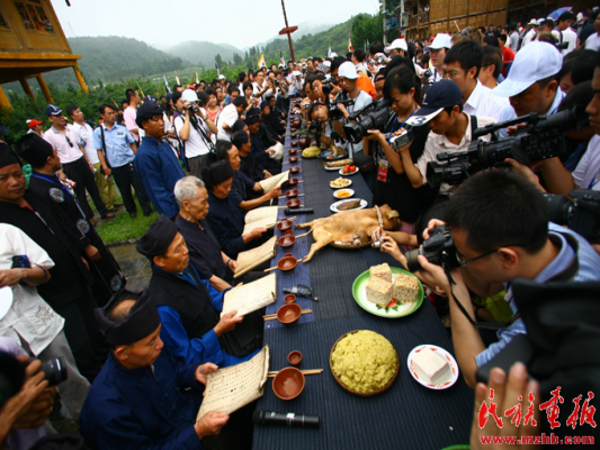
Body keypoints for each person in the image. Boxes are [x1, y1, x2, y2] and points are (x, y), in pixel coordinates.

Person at [395, 170, 600, 388]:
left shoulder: (549, 323)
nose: (462, 262)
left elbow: (475, 374)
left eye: (465, 258)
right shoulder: (540, 234)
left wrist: (455, 287)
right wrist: (456, 241)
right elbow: (487, 287)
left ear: (507, 257)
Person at [0, 144, 107, 381]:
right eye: (3, 178)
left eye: (17, 174)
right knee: (79, 344)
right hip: (52, 292)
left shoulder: (34, 197)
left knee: (95, 328)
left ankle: (112, 370)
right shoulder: (3, 221)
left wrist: (79, 252)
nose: (14, 182)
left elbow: (61, 226)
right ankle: (96, 385)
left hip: (75, 274)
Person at [80, 289, 229, 450]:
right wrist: (197, 433)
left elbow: (173, 371)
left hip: (187, 415)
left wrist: (193, 372)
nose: (161, 344)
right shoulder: (108, 409)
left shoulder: (150, 351)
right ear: (122, 353)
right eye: (151, 342)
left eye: (159, 334)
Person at [16, 133, 126, 308]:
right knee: (101, 280)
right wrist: (84, 245)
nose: (59, 157)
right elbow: (61, 224)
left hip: (86, 233)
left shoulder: (48, 180)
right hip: (82, 243)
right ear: (49, 160)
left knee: (108, 268)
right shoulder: (42, 191)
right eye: (55, 153)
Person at [136, 215, 262, 365]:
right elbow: (185, 356)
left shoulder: (182, 266)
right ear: (159, 261)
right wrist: (218, 330)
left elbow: (206, 290)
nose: (186, 251)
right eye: (178, 249)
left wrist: (230, 295)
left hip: (224, 334)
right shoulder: (163, 306)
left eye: (184, 243)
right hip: (210, 358)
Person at [0, 224, 90, 423]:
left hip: (38, 325)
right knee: (23, 402)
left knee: (71, 379)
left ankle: (95, 423)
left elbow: (45, 272)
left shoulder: (5, 232)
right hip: (4, 342)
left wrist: (19, 274)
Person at [363, 66, 432, 235]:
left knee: (400, 245)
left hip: (403, 200)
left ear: (412, 92)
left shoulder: (420, 125)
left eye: (397, 100)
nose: (393, 105)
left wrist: (382, 140)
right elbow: (369, 153)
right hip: (383, 190)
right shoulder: (393, 116)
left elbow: (401, 168)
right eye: (390, 101)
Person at [400, 80, 496, 196]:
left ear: (455, 110)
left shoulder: (487, 128)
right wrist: (404, 150)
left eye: (436, 118)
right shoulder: (433, 139)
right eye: (428, 119)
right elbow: (418, 180)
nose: (431, 124)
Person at [42, 105, 113, 221]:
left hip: (81, 160)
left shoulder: (71, 129)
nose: (60, 117)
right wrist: (60, 171)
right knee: (80, 193)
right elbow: (53, 154)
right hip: (68, 164)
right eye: (56, 116)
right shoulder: (48, 135)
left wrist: (88, 162)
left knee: (93, 188)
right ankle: (89, 217)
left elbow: (80, 147)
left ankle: (103, 211)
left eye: (61, 114)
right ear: (50, 118)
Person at [175, 176, 237, 292]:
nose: (207, 205)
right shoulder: (183, 238)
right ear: (186, 205)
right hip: (222, 289)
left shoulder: (199, 217)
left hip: (230, 273)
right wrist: (234, 291)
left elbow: (217, 249)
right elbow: (211, 279)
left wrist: (229, 261)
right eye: (203, 202)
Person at [493, 41, 565, 139]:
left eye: (522, 94)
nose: (513, 101)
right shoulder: (509, 113)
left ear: (550, 88)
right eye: (512, 92)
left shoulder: (570, 120)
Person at [93, 104, 153, 219]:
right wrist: (104, 166)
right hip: (116, 167)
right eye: (109, 113)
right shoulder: (98, 132)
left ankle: (147, 209)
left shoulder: (122, 128)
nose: (112, 115)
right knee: (125, 191)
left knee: (140, 187)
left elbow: (131, 144)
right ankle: (132, 211)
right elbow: (99, 151)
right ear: (102, 115)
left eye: (113, 113)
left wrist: (139, 158)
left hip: (130, 162)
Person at [202, 161, 268, 258]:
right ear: (214, 186)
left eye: (230, 185)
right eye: (225, 186)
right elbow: (227, 247)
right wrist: (250, 236)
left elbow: (239, 214)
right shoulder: (211, 211)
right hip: (239, 251)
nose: (229, 189)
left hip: (247, 231)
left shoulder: (228, 193)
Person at [134, 101, 185, 219]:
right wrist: (174, 216)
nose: (161, 123)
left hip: (185, 200)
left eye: (162, 118)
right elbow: (156, 191)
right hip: (176, 209)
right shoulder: (145, 155)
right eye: (156, 120)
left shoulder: (164, 144)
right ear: (145, 124)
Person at [67, 105, 117, 212]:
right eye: (77, 112)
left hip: (101, 156)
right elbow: (80, 148)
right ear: (72, 116)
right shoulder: (74, 130)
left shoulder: (87, 125)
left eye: (80, 111)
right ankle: (108, 205)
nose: (80, 113)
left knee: (109, 181)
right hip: (93, 159)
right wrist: (88, 163)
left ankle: (113, 201)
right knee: (102, 184)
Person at [443, 40, 508, 120]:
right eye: (444, 73)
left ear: (472, 72)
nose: (446, 79)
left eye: (453, 74)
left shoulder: (497, 106)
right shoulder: (442, 101)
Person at [215, 139, 281, 206]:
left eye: (238, 156)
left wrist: (279, 179)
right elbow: (243, 205)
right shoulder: (224, 181)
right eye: (235, 157)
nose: (239, 160)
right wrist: (269, 196)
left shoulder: (236, 172)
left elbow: (256, 186)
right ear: (224, 161)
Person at [172, 90, 218, 179]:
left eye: (196, 102)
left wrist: (202, 116)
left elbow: (215, 130)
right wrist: (187, 115)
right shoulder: (179, 119)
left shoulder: (200, 116)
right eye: (191, 103)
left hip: (208, 153)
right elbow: (184, 136)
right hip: (195, 158)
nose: (194, 105)